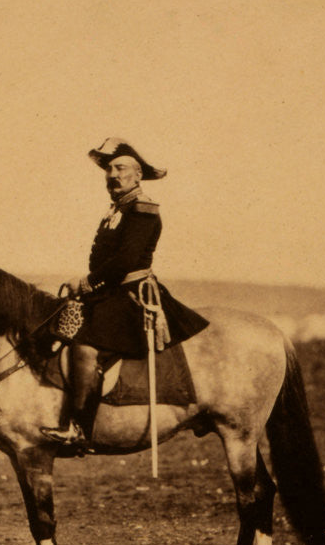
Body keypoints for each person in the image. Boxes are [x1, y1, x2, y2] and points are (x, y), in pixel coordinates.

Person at [41, 138, 209, 452]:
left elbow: (125, 261)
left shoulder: (143, 210)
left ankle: (78, 428)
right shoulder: (117, 210)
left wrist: (87, 282)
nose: (112, 174)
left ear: (137, 175)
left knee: (86, 346)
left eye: (120, 168)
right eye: (109, 169)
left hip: (131, 295)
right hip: (111, 292)